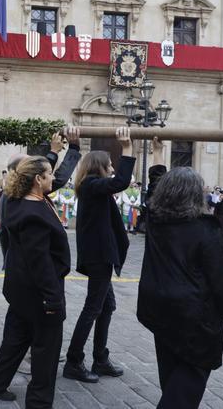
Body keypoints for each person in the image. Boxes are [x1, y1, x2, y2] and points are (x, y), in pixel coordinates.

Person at [138, 162, 223, 408]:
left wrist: (158, 162)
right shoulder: (205, 229)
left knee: (171, 376)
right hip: (194, 316)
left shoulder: (156, 222)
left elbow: (154, 188)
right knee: (186, 386)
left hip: (159, 308)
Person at [0, 155, 71, 407]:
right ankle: (39, 402)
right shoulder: (33, 213)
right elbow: (39, 262)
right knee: (46, 350)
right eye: (49, 174)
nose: (54, 178)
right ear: (37, 179)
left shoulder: (24, 202)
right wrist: (53, 299)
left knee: (16, 338)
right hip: (39, 293)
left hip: (21, 290)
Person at [63, 127, 134, 383]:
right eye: (110, 164)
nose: (113, 168)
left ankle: (100, 358)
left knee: (106, 306)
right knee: (93, 308)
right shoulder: (92, 184)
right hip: (99, 256)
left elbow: (116, 183)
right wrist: (127, 149)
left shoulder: (93, 187)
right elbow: (120, 183)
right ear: (98, 167)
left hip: (102, 254)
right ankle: (74, 360)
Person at [0, 128, 82, 262]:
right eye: (31, 165)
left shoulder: (16, 191)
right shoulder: (14, 194)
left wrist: (65, 150)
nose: (34, 167)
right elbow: (57, 179)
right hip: (24, 264)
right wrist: (59, 151)